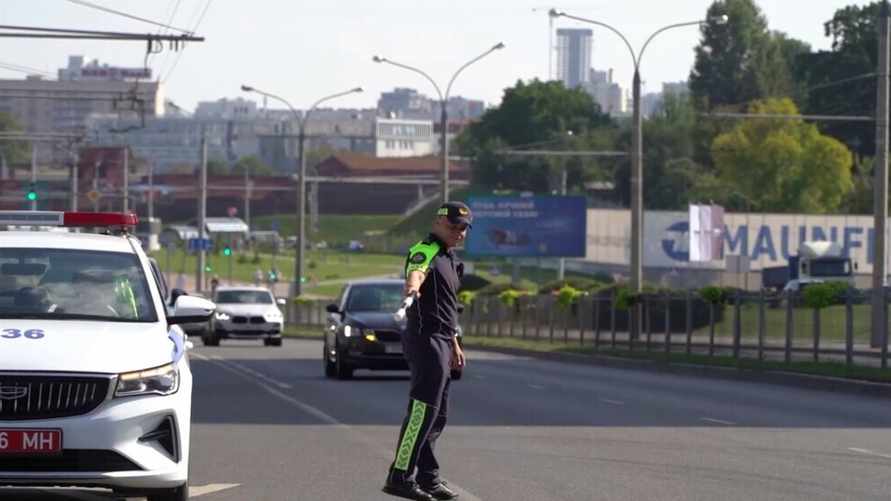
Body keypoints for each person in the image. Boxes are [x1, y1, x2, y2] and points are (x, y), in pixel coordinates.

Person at [383, 201, 471, 501]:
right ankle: (399, 476)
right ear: (438, 223)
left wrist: (455, 342)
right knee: (422, 411)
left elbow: (446, 309)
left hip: (443, 340)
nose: (459, 232)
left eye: (463, 228)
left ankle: (429, 477)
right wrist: (412, 287)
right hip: (425, 339)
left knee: (438, 414)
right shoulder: (427, 249)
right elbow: (417, 269)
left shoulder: (452, 259)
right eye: (453, 226)